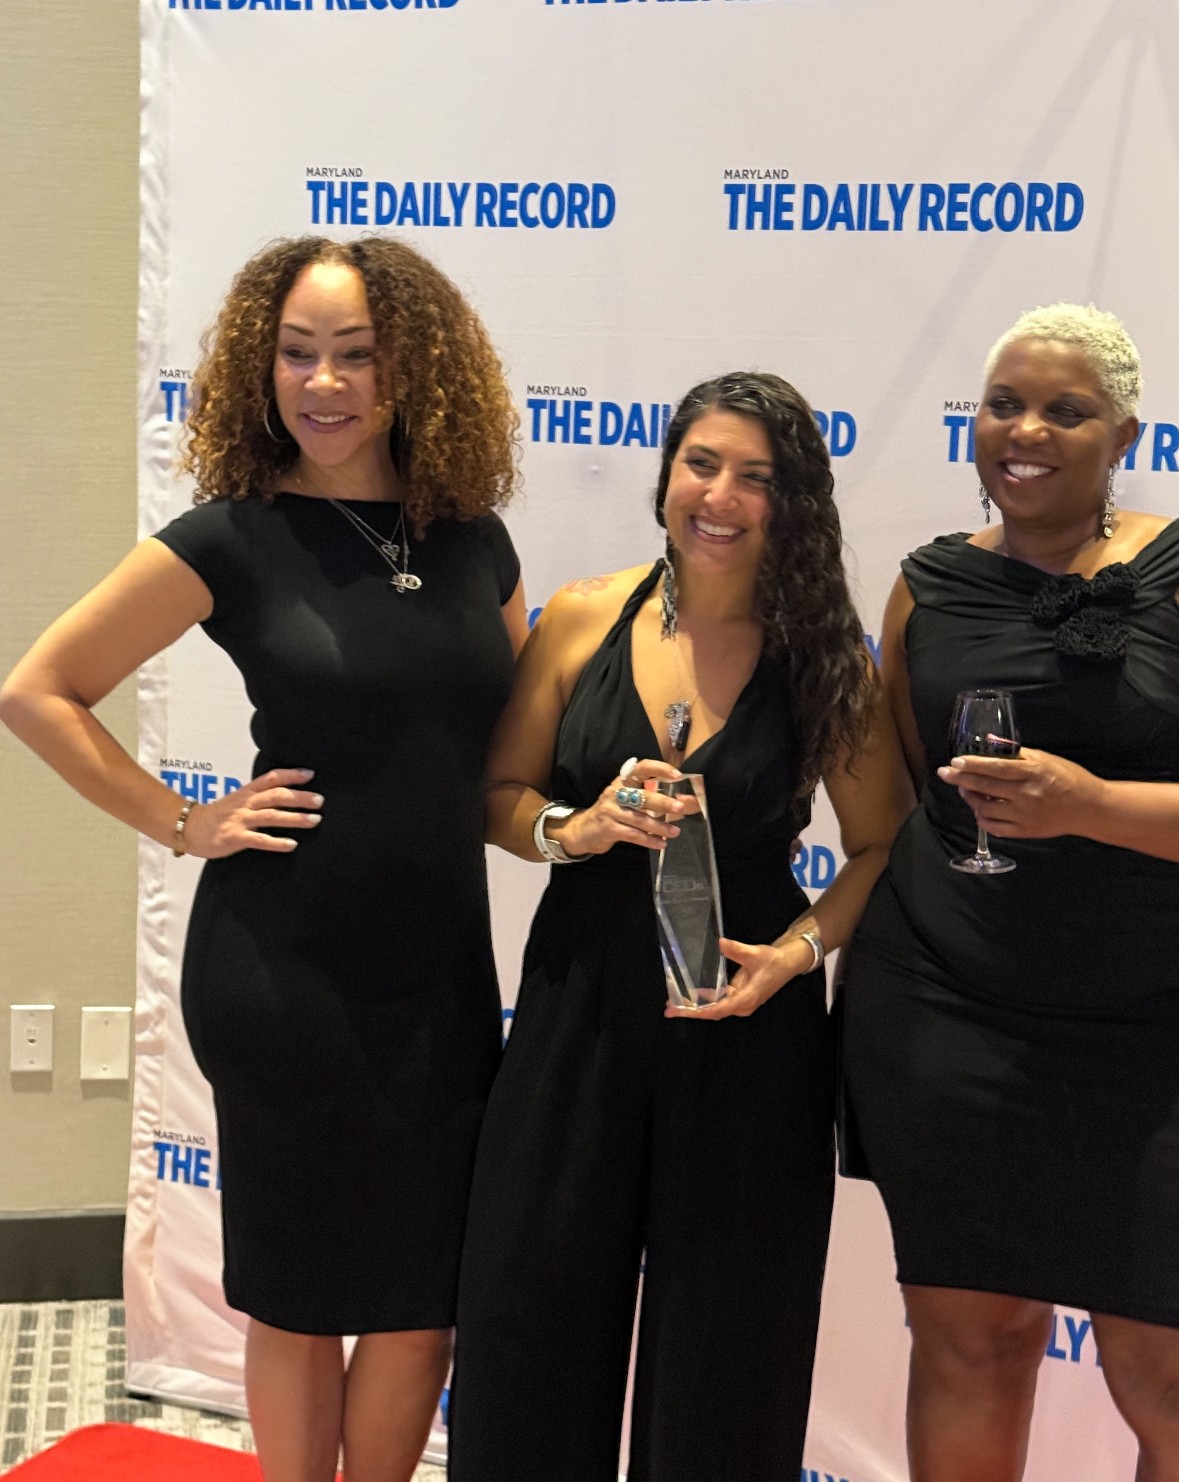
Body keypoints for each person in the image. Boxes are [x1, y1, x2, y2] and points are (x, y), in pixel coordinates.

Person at [0, 234, 526, 1482]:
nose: (322, 382)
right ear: (261, 366)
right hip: (285, 973)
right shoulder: (233, 537)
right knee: (298, 1296)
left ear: (415, 368)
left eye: (356, 354)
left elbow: (510, 753)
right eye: (296, 353)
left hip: (442, 976)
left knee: (421, 1299)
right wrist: (184, 821)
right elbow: (39, 691)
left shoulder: (476, 543)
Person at [447, 371, 912, 1482]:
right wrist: (577, 825)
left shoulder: (824, 659)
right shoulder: (581, 616)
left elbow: (880, 850)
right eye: (702, 464)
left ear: (793, 504)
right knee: (529, 1325)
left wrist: (795, 955)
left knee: (730, 1353)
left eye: (757, 477)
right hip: (578, 1014)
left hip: (748, 1025)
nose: (721, 496)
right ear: (665, 476)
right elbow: (497, 797)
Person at [842, 303, 1179, 1481]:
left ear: (1124, 437)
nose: (1025, 430)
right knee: (972, 1344)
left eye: (1064, 411)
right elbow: (900, 801)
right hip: (951, 1013)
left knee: (1163, 1369)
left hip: (1153, 1030)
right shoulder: (927, 588)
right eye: (1003, 405)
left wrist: (1095, 807)